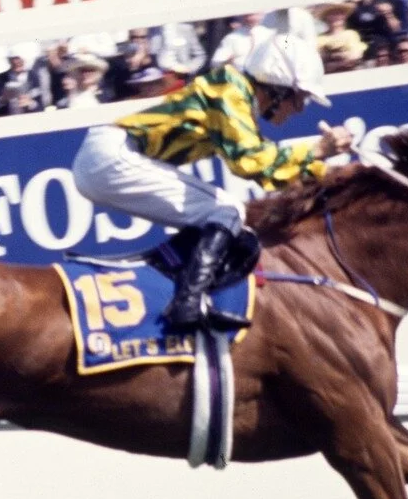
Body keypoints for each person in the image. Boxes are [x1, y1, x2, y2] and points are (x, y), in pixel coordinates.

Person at [71, 34, 351, 331]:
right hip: (112, 156)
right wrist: (319, 150)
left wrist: (330, 176)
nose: (300, 108)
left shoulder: (235, 97)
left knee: (214, 215)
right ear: (278, 88)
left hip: (111, 157)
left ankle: (182, 293)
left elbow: (269, 168)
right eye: (299, 97)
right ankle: (186, 304)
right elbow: (251, 162)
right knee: (227, 210)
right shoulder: (230, 91)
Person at [314, 2, 366, 72]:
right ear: (326, 17)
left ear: (344, 16)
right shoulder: (320, 39)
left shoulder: (351, 34)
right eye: (332, 14)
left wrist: (335, 59)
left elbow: (356, 55)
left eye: (340, 13)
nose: (336, 17)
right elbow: (318, 60)